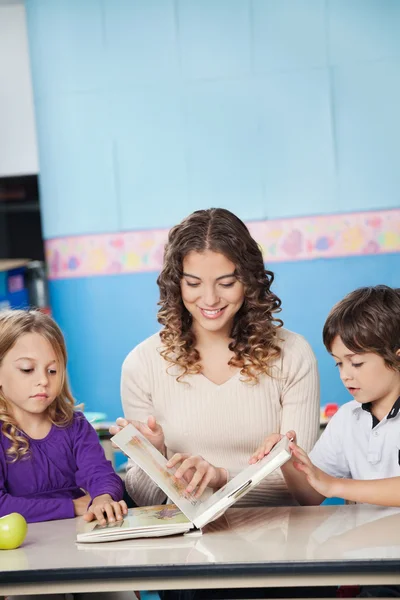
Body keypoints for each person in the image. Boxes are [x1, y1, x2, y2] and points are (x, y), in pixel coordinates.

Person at [111, 208, 320, 507]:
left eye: (226, 283)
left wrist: (222, 477)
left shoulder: (293, 355)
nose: (209, 299)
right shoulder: (142, 364)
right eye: (193, 284)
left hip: (277, 541)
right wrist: (154, 458)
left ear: (249, 281)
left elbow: (304, 486)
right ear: (176, 283)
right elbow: (148, 502)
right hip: (186, 547)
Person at [251, 285, 400, 508]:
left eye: (356, 363)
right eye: (339, 363)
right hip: (364, 541)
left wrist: (335, 485)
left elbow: (329, 485)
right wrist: (288, 460)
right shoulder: (347, 418)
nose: (345, 375)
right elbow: (310, 496)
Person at [0, 309, 127, 525]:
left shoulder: (75, 426)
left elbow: (101, 474)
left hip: (71, 543)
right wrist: (73, 505)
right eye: (27, 369)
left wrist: (103, 498)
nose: (43, 380)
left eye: (52, 370)